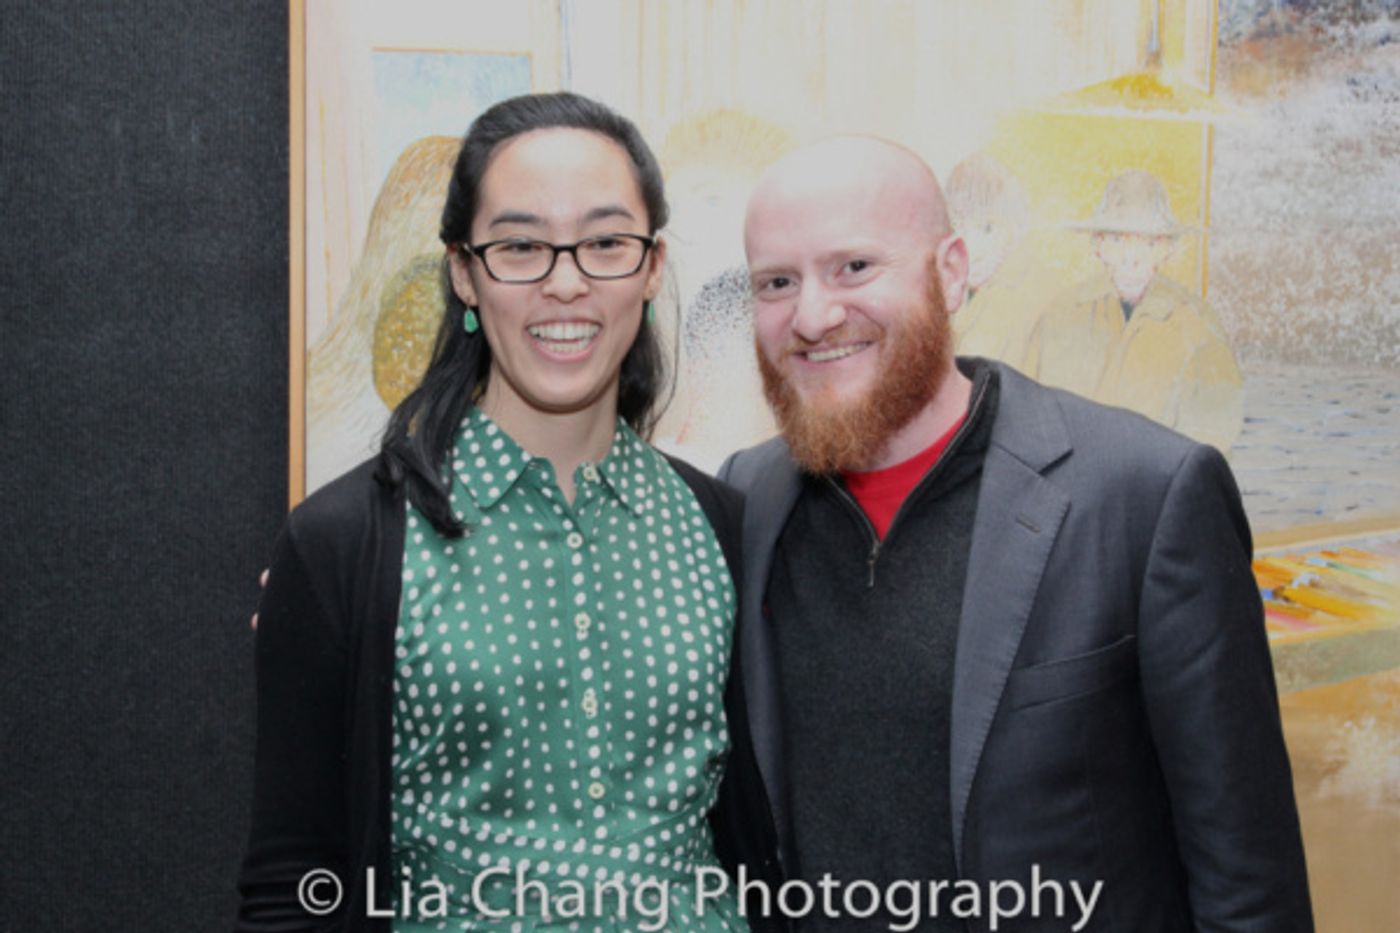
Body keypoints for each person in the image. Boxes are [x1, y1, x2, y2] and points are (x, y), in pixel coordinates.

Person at [720, 137, 1312, 931]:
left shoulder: (1146, 497)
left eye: (855, 267)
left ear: (953, 269)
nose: (814, 314)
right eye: (777, 282)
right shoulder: (745, 499)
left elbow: (1248, 883)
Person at [237, 93, 776, 932]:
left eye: (605, 243)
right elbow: (291, 879)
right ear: (464, 271)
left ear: (652, 267)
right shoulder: (345, 544)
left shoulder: (721, 527)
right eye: (521, 246)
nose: (566, 283)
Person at [1023, 169, 1244, 452]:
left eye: (1148, 243)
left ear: (1167, 249)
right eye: (1117, 241)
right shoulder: (1059, 315)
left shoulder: (1198, 326)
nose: (1131, 258)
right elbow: (1026, 417)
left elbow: (1215, 439)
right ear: (1098, 245)